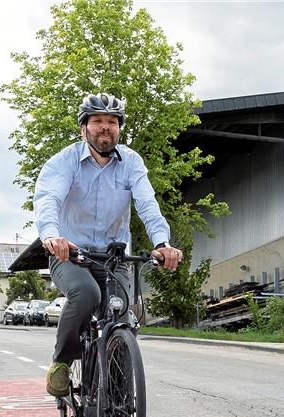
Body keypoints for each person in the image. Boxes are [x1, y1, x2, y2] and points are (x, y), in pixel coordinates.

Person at [34, 92, 183, 398]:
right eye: (98, 121)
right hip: (70, 254)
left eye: (112, 122)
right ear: (84, 128)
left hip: (115, 258)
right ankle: (61, 361)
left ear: (119, 128)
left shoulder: (131, 162)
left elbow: (147, 204)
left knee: (120, 323)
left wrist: (162, 242)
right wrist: (51, 236)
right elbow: (49, 199)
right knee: (86, 294)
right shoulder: (64, 162)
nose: (105, 127)